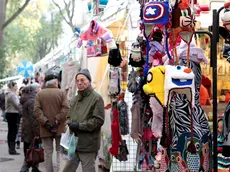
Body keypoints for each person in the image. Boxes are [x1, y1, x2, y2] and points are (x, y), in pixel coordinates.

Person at [63, 68, 105, 172]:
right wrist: (68, 123)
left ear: (89, 81)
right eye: (77, 81)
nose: (79, 83)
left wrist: (79, 126)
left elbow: (98, 121)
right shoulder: (75, 98)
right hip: (73, 143)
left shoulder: (97, 98)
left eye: (82, 80)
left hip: (88, 145)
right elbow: (69, 116)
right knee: (67, 169)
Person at [34, 72, 69, 172]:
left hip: (45, 127)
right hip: (60, 126)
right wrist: (57, 119)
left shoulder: (40, 94)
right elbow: (66, 108)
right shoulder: (62, 93)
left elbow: (37, 111)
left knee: (48, 152)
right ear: (55, 83)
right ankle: (59, 170)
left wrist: (46, 122)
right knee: (60, 151)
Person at [20, 84, 41, 172]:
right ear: (32, 91)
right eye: (36, 90)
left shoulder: (25, 100)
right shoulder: (32, 101)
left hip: (26, 129)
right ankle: (24, 169)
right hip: (31, 131)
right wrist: (37, 133)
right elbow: (34, 120)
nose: (38, 91)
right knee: (32, 150)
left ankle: (35, 168)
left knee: (29, 149)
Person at [5, 81, 21, 155]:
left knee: (11, 131)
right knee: (13, 131)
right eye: (15, 86)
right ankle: (12, 149)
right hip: (13, 114)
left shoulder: (10, 94)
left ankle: (11, 148)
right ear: (12, 86)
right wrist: (21, 110)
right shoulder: (12, 95)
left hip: (10, 113)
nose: (17, 87)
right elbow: (17, 105)